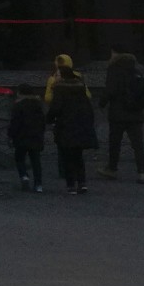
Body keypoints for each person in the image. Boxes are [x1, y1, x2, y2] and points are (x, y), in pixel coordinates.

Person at [43, 55, 97, 194]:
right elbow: (88, 106)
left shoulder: (60, 89)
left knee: (67, 156)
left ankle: (71, 184)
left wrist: (48, 119)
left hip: (65, 125)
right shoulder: (80, 87)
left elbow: (56, 107)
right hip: (80, 124)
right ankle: (82, 182)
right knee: (78, 155)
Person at [101, 50, 144, 183]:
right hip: (136, 114)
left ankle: (112, 169)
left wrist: (102, 103)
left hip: (118, 114)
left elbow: (110, 90)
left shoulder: (114, 70)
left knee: (115, 143)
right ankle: (141, 172)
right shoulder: (137, 72)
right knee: (138, 144)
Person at [8, 87, 46, 192]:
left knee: (19, 158)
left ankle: (24, 176)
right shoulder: (38, 105)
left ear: (20, 93)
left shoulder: (18, 105)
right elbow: (42, 122)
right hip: (35, 136)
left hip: (21, 136)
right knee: (36, 161)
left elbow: (14, 122)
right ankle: (38, 184)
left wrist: (11, 135)